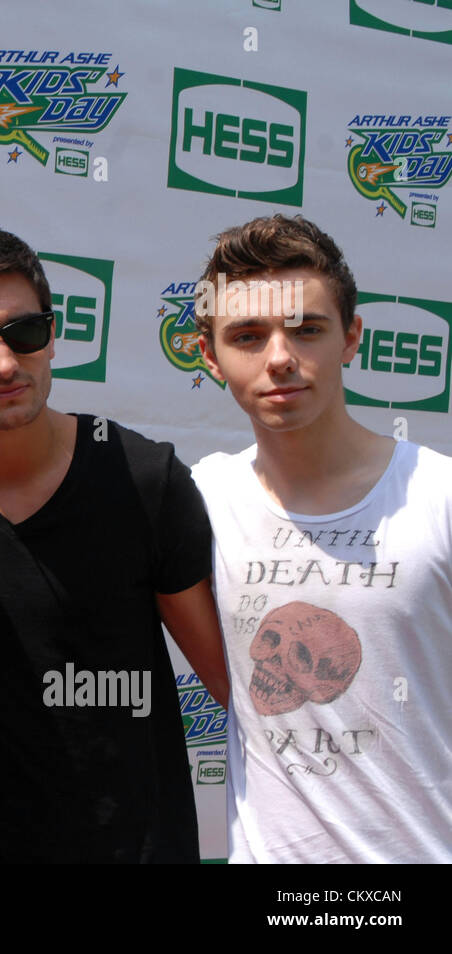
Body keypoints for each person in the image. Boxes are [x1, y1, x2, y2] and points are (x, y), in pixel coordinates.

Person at [0, 223, 230, 863]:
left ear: (52, 334)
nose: (4, 365)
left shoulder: (145, 479)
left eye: (25, 334)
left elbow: (232, 684)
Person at [191, 214, 452, 863]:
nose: (280, 357)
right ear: (208, 354)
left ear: (351, 337)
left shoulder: (440, 495)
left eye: (307, 329)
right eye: (248, 335)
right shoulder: (194, 501)